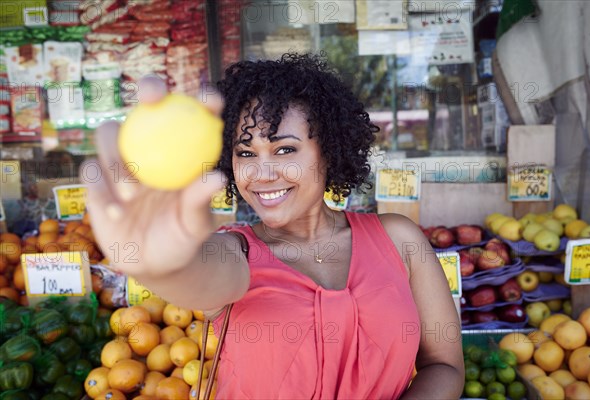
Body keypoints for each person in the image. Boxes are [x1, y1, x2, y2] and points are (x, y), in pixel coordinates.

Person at [85, 53, 464, 399]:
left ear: (328, 150)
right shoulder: (236, 253)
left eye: (285, 149)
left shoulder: (399, 240)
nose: (263, 173)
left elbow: (444, 366)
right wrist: (158, 263)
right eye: (245, 153)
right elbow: (196, 275)